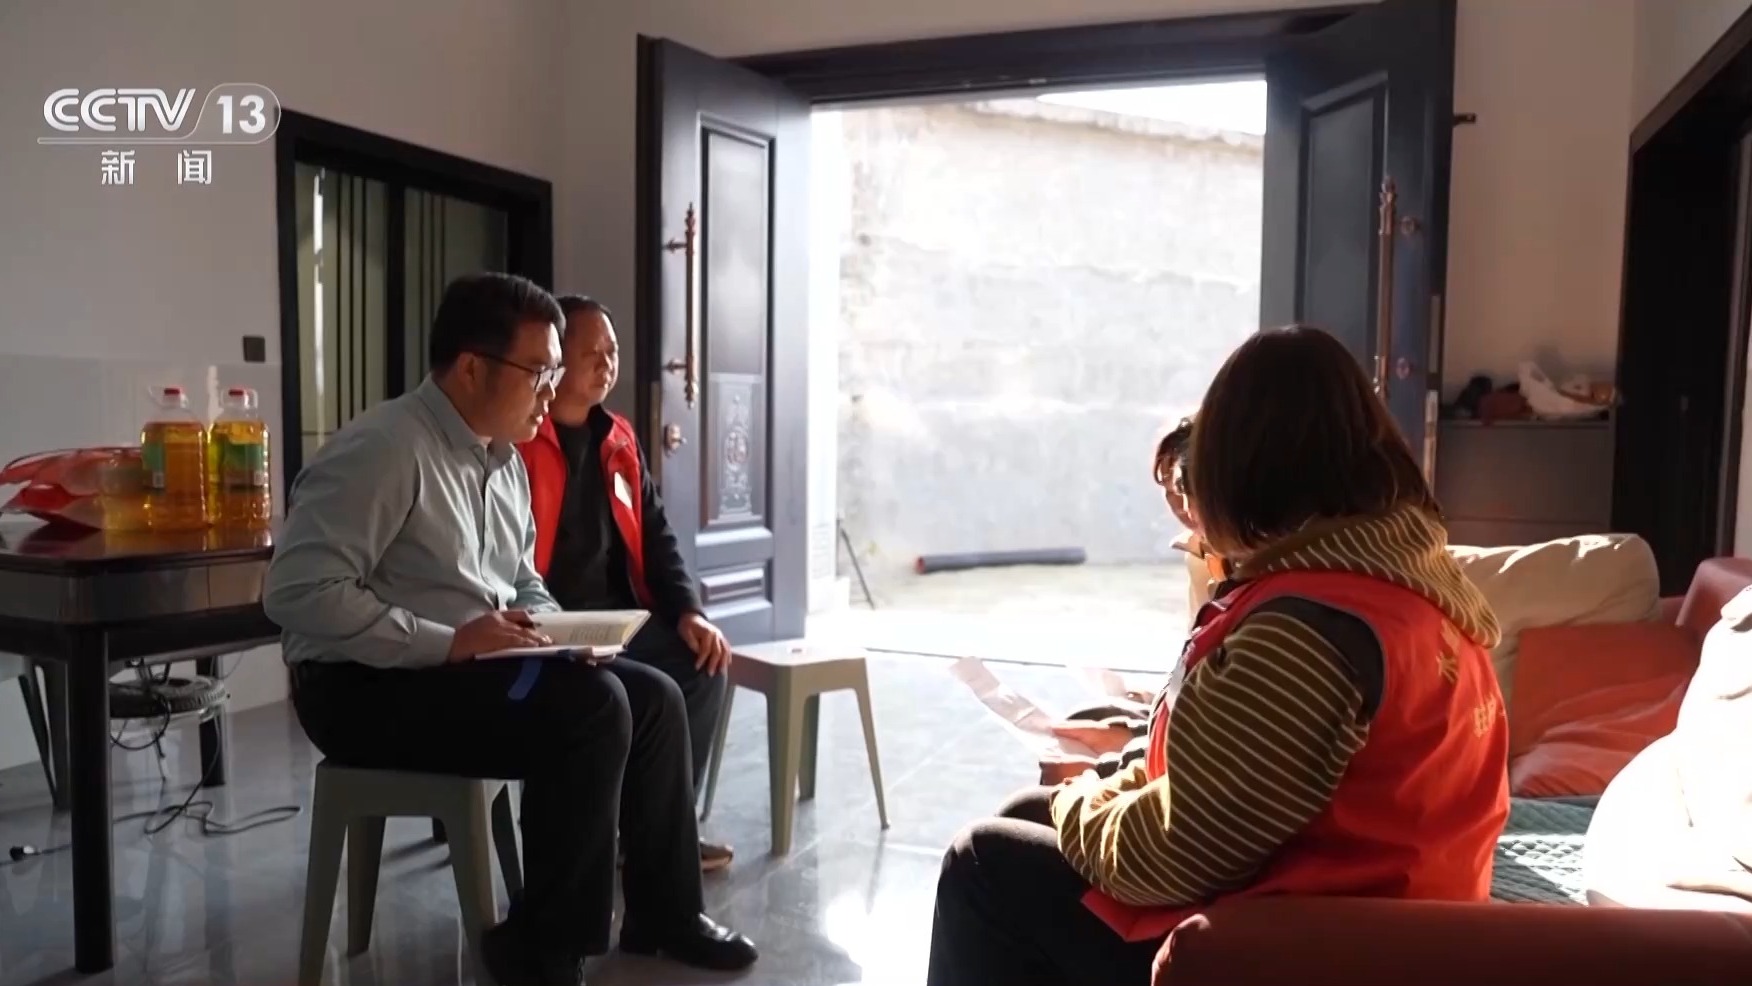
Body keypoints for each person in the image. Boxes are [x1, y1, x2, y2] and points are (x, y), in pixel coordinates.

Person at [927, 324, 1509, 986]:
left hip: (1313, 949)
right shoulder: (1407, 592)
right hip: (1390, 925)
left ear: (1239, 473)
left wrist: (1076, 798)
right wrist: (1097, 789)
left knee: (982, 863)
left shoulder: (1306, 633)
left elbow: (1172, 856)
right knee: (1023, 818)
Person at [265, 273, 758, 986]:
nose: (550, 391)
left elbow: (521, 579)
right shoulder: (386, 448)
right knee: (592, 711)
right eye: (539, 372)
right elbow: (297, 593)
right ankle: (542, 952)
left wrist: (562, 633)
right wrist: (449, 641)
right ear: (472, 367)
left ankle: (665, 913)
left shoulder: (502, 459)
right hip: (360, 689)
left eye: (556, 371)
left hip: (460, 672)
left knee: (654, 696)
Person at [517, 294, 736, 872]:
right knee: (619, 694)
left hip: (619, 616)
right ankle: (623, 835)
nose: (606, 363)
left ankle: (662, 831)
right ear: (556, 359)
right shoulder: (520, 439)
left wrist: (688, 611)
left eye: (612, 351)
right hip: (549, 624)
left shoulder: (618, 437)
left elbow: (658, 533)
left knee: (702, 663)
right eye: (591, 352)